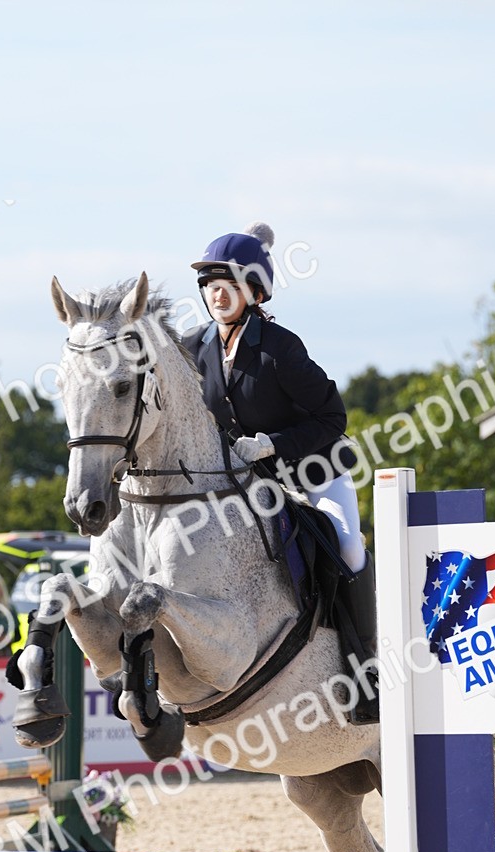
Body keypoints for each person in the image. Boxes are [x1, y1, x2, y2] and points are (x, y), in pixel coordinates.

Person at [183, 221, 377, 723]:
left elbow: (332, 417)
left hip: (314, 470)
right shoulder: (195, 348)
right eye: (210, 284)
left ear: (254, 291)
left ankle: (367, 669)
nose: (217, 294)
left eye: (228, 284)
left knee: (348, 547)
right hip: (249, 483)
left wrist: (274, 444)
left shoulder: (280, 347)